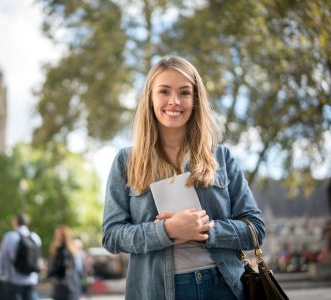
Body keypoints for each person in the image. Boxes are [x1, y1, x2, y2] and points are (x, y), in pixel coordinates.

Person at [102, 55, 265, 300]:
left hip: (223, 287)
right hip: (158, 291)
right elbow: (112, 236)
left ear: (196, 99)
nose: (174, 101)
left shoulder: (221, 157)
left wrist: (205, 230)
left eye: (184, 93)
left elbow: (255, 229)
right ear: (150, 97)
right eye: (164, 92)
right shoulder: (126, 162)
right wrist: (166, 230)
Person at [0, 213, 41, 300]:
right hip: (32, 278)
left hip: (14, 279)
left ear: (16, 222)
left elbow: (1, 256)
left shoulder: (10, 236)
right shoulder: (35, 237)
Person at [47, 225, 82, 300]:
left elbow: (62, 268)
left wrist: (50, 274)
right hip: (71, 285)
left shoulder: (62, 250)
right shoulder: (72, 249)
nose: (56, 237)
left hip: (64, 286)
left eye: (58, 235)